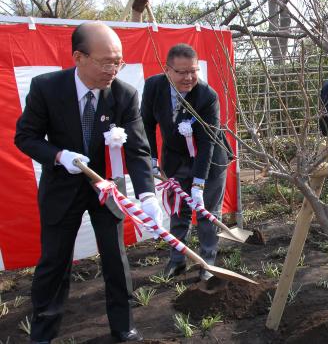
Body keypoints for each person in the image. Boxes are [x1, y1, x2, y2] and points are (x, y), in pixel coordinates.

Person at [14, 21, 163, 343]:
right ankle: (43, 332)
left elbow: (137, 150)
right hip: (61, 186)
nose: (113, 69)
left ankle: (124, 327)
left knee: (115, 257)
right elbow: (25, 137)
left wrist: (148, 195)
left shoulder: (124, 95)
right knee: (54, 260)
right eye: (105, 61)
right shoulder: (47, 88)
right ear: (78, 57)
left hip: (106, 187)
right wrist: (58, 156)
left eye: (118, 61)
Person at [141, 43, 233, 281]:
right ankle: (177, 259)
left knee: (206, 212)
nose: (189, 77)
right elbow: (147, 124)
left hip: (210, 161)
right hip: (175, 158)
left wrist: (199, 184)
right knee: (178, 210)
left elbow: (207, 142)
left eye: (193, 70)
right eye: (181, 72)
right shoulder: (153, 86)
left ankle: (207, 263)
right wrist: (150, 157)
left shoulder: (206, 96)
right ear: (167, 69)